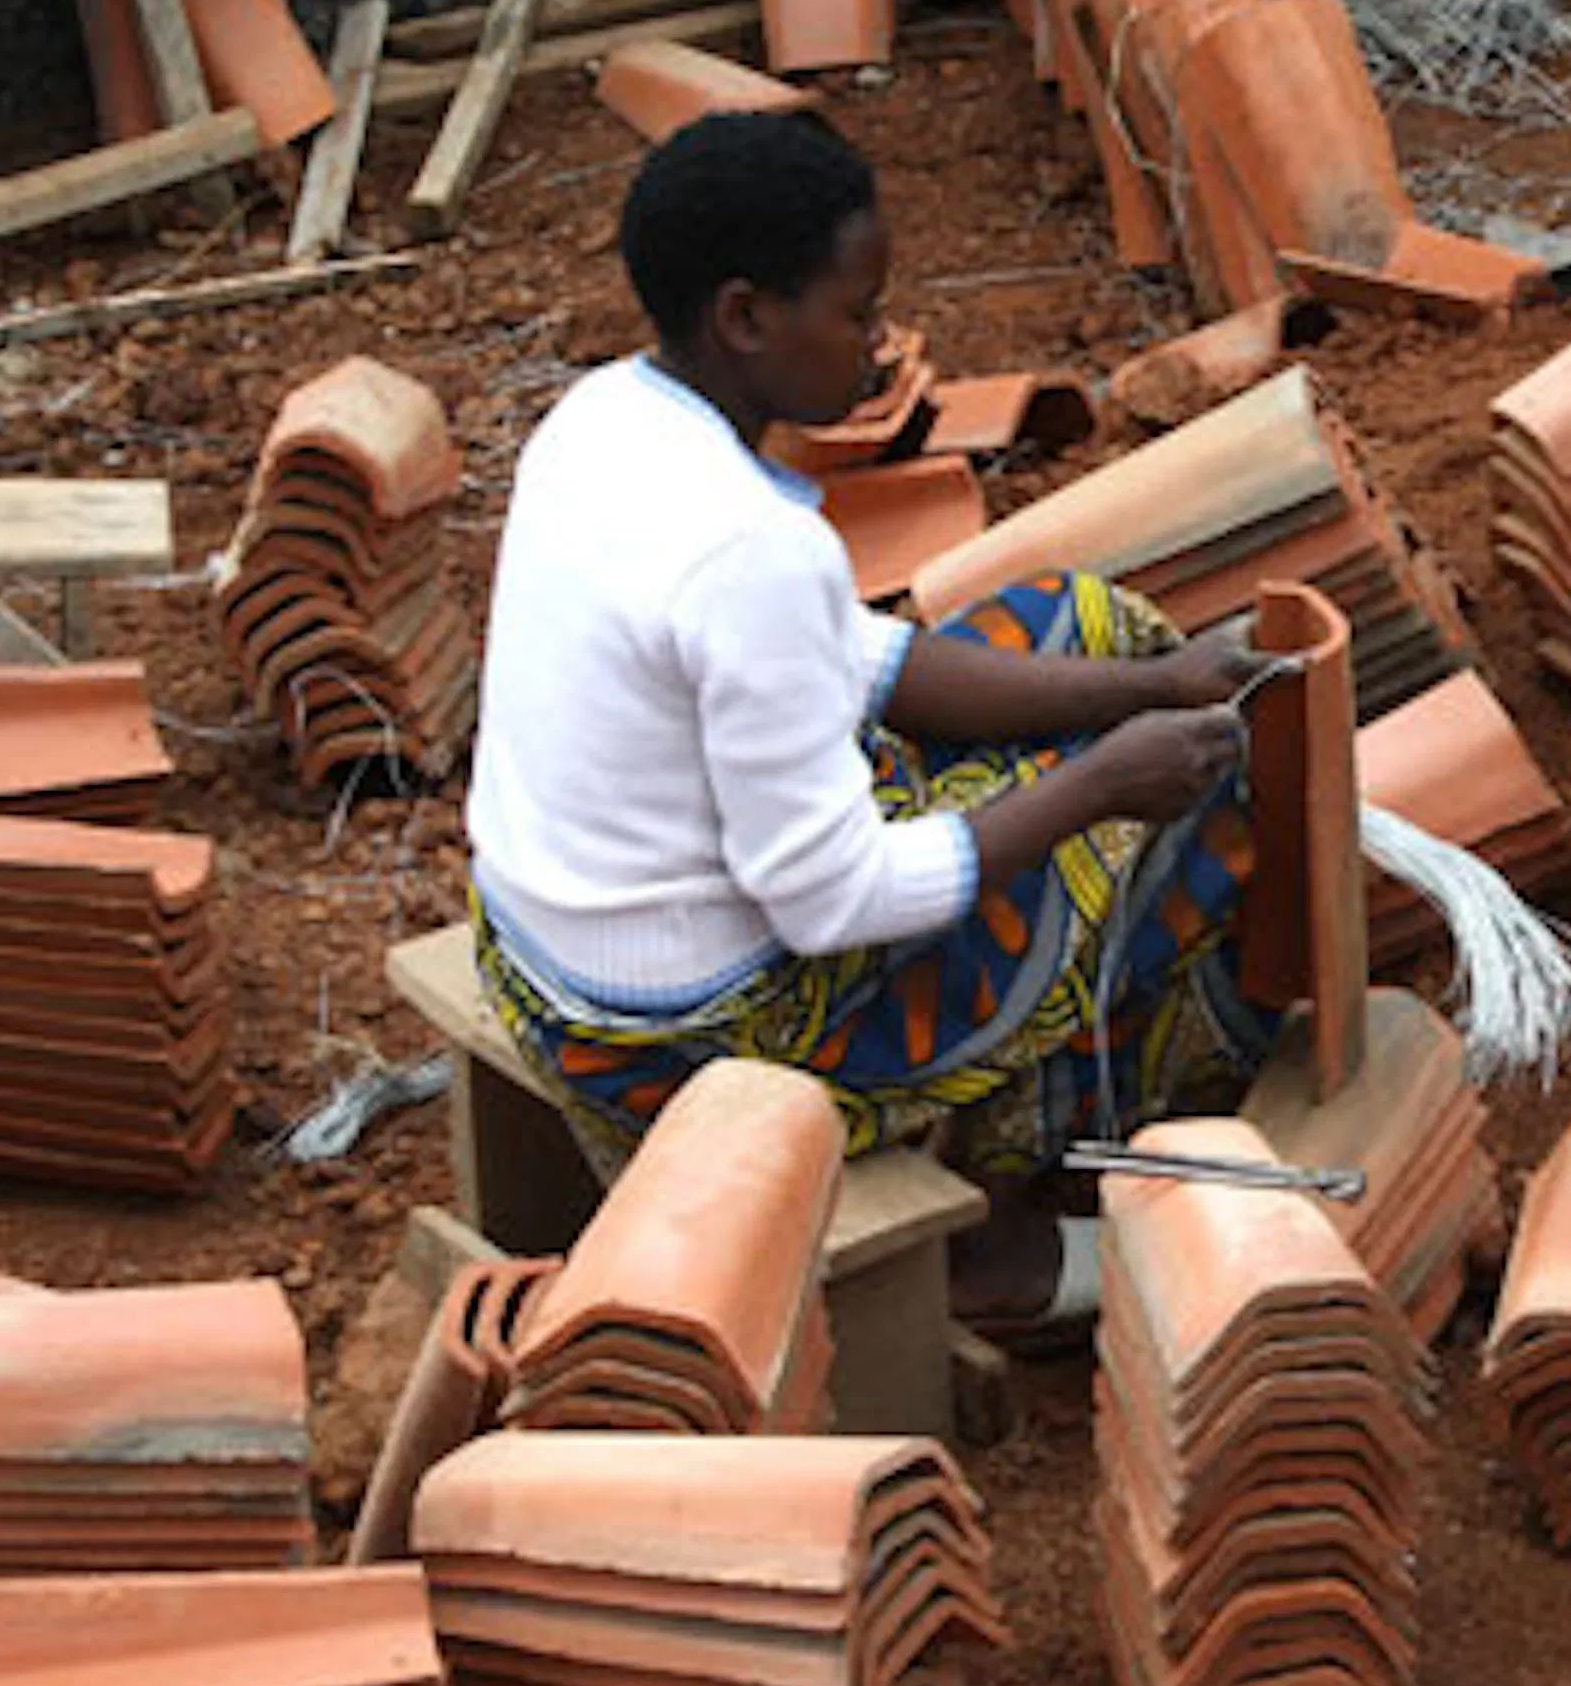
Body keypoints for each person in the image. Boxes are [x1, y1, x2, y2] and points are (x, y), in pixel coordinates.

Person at [464, 108, 1274, 1326]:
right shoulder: (749, 550)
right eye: (856, 311)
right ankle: (992, 1217)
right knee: (1193, 812)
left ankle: (1019, 1111)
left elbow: (861, 657)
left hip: (542, 955)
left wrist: (1152, 683)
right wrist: (1103, 782)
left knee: (1078, 618)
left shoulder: (602, 423)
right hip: (694, 1047)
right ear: (746, 316)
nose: (884, 343)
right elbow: (826, 899)